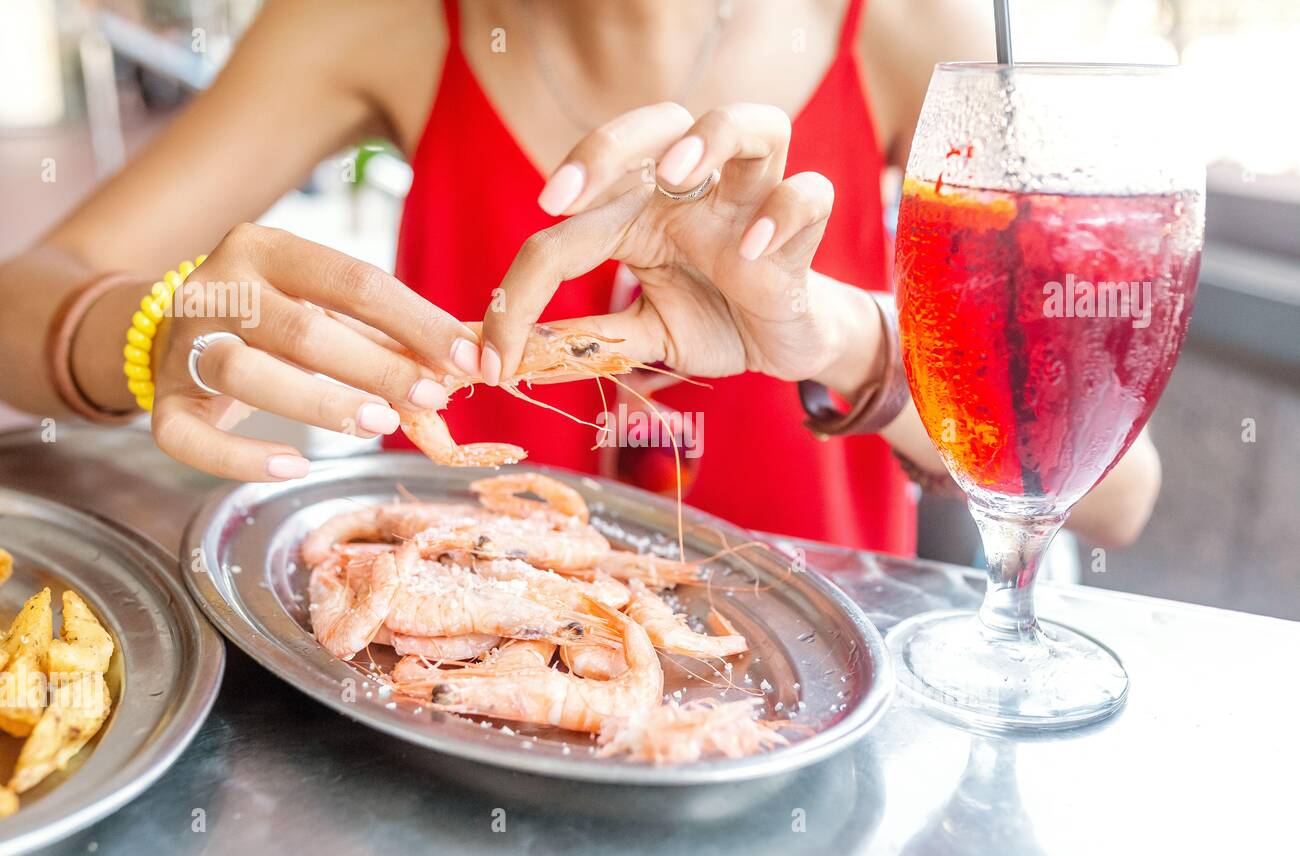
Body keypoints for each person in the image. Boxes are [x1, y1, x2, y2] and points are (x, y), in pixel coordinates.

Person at [0, 0, 1160, 552]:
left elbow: (1114, 488)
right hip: (435, 692)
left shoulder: (914, 33)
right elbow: (27, 295)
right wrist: (162, 330)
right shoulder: (376, 24)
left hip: (817, 739)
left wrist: (840, 336)